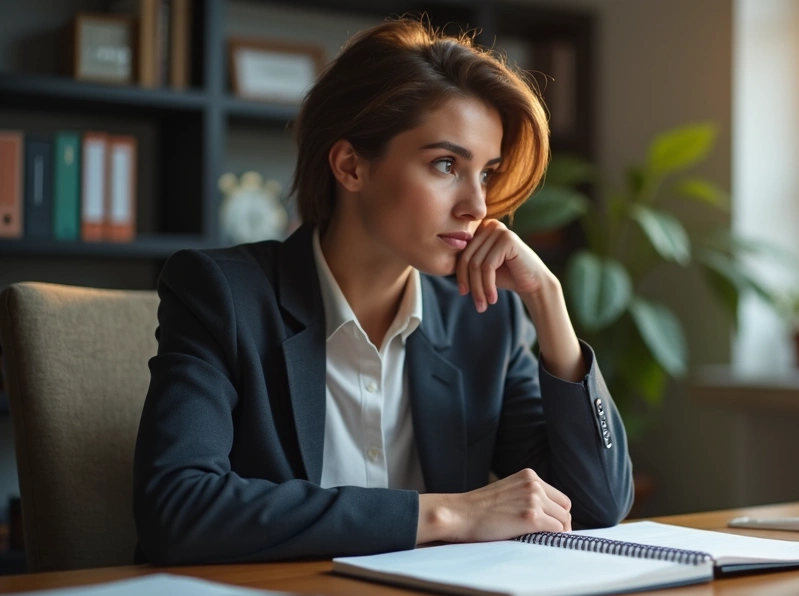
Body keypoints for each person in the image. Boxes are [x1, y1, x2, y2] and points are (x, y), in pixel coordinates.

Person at [132, 18, 633, 565]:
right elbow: (176, 508)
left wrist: (549, 304)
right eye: (446, 165)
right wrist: (446, 514)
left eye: (486, 174)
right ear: (351, 166)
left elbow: (595, 505)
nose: (477, 206)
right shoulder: (222, 296)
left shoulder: (484, 320)